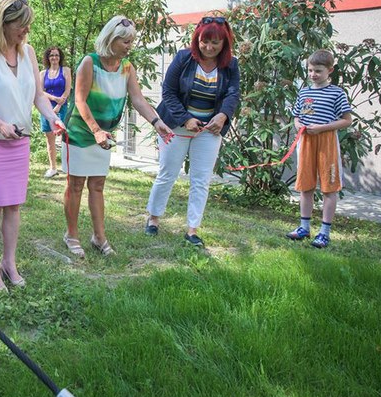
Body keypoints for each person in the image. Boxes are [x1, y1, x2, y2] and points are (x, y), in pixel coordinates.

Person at [0, 0, 64, 291]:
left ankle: (9, 263)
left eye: (28, 24)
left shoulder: (28, 52)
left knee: (14, 205)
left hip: (19, 139)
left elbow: (37, 95)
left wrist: (53, 118)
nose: (26, 30)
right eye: (21, 25)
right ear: (4, 23)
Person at [62, 16, 171, 258]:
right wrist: (96, 130)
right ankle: (71, 235)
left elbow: (138, 99)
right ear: (111, 39)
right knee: (76, 185)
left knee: (97, 185)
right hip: (80, 132)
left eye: (131, 41)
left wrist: (157, 122)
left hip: (104, 135)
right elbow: (79, 100)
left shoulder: (127, 67)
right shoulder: (90, 62)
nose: (129, 46)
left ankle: (99, 237)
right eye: (125, 41)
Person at [144, 16, 241, 247]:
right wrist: (185, 118)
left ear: (224, 43)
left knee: (201, 179)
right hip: (176, 125)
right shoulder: (183, 58)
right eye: (204, 41)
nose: (208, 47)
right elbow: (168, 92)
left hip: (209, 130)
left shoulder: (231, 65)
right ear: (197, 39)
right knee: (167, 173)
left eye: (215, 43)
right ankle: (153, 219)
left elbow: (233, 94)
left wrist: (223, 115)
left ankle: (192, 229)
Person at [286, 49, 351, 248]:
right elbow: (297, 116)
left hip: (327, 143)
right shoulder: (304, 92)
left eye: (318, 71)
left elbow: (346, 120)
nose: (313, 74)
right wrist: (298, 124)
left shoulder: (337, 93)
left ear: (330, 70)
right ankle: (304, 227)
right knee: (306, 185)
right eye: (310, 70)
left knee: (328, 187)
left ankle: (324, 232)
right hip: (306, 142)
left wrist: (322, 128)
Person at [39, 46, 72, 178]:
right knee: (50, 138)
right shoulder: (43, 73)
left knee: (65, 137)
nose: (54, 57)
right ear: (48, 58)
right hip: (46, 107)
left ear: (60, 57)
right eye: (52, 55)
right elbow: (40, 91)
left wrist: (58, 105)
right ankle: (53, 168)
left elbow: (67, 90)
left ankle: (68, 167)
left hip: (62, 107)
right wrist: (53, 99)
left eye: (56, 55)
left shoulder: (66, 70)